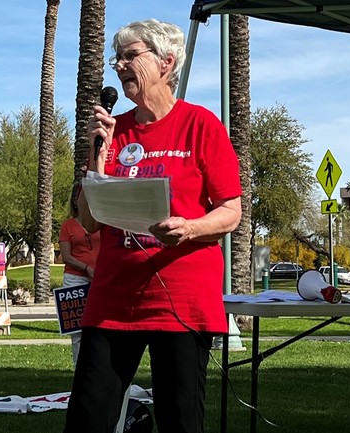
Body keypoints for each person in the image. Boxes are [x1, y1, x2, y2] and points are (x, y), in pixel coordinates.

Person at [64, 19, 242, 433]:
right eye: (118, 58)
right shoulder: (114, 131)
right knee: (88, 417)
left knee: (180, 420)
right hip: (113, 299)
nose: (120, 65)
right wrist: (99, 158)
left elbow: (230, 211)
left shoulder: (200, 125)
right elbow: (89, 220)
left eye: (131, 56)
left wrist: (190, 228)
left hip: (180, 300)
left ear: (166, 62)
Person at [58, 183, 100, 365]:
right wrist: (86, 268)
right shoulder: (67, 226)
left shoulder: (101, 223)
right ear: (76, 201)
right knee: (77, 329)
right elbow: (66, 257)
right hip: (75, 279)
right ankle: (78, 368)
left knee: (99, 326)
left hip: (100, 278)